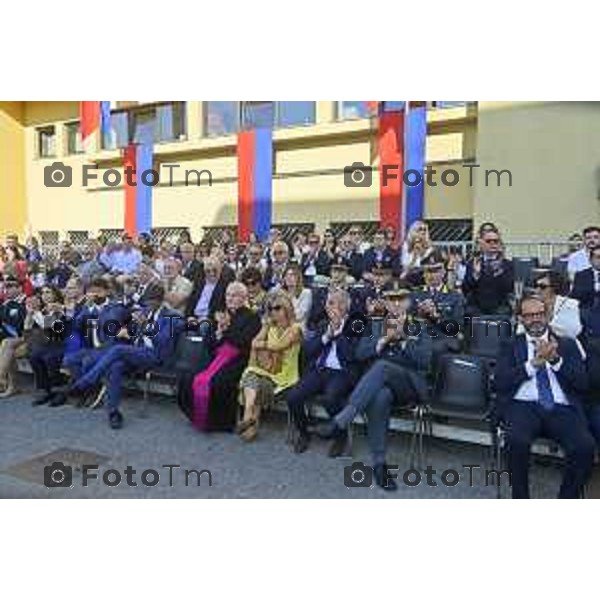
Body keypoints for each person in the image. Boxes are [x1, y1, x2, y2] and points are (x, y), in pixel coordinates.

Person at [314, 289, 433, 490]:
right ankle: (379, 464)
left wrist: (404, 340)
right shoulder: (376, 324)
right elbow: (359, 354)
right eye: (390, 299)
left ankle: (341, 420)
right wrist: (384, 340)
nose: (395, 304)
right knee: (380, 396)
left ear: (408, 302)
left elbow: (425, 361)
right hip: (379, 388)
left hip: (409, 386)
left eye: (400, 299)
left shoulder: (419, 325)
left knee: (383, 366)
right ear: (384, 303)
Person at [494, 296, 595, 499]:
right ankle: (520, 497)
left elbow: (582, 383)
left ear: (547, 315)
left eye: (539, 314)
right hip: (522, 406)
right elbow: (500, 382)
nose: (536, 319)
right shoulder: (511, 344)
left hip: (562, 407)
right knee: (516, 440)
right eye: (529, 316)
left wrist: (555, 360)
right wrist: (532, 366)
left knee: (584, 446)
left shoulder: (567, 344)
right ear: (521, 319)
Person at [67, 283, 182, 429]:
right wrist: (128, 328)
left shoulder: (171, 317)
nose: (148, 304)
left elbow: (164, 342)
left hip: (155, 356)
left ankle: (85, 382)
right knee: (115, 365)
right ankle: (113, 412)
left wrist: (146, 326)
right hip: (137, 352)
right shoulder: (145, 311)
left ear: (160, 300)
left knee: (118, 349)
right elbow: (131, 326)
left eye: (151, 301)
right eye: (146, 301)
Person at [286, 289, 360, 455]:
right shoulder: (322, 324)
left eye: (339, 303)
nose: (334, 307)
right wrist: (326, 335)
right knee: (293, 397)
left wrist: (339, 332)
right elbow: (307, 351)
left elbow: (351, 355)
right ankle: (304, 433)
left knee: (331, 398)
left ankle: (339, 436)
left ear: (347, 306)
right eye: (330, 303)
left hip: (342, 372)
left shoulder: (356, 325)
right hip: (319, 370)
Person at [181, 282, 261, 432]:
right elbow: (209, 344)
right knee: (188, 377)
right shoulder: (221, 315)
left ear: (243, 298)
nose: (230, 299)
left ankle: (219, 423)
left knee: (219, 383)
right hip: (216, 357)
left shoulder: (252, 317)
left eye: (234, 295)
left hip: (237, 359)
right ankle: (197, 416)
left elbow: (243, 341)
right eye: (228, 295)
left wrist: (226, 330)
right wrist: (218, 333)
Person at [237, 291, 302, 442]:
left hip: (286, 375)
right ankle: (249, 416)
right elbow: (253, 343)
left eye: (278, 308)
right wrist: (265, 331)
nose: (274, 312)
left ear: (287, 308)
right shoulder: (270, 327)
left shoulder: (295, 329)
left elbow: (279, 346)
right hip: (268, 370)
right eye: (271, 309)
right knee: (252, 375)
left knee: (254, 376)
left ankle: (249, 420)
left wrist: (263, 344)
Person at [462, 227, 514, 316]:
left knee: (503, 312)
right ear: (481, 243)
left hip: (500, 307)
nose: (492, 244)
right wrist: (476, 275)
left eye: (496, 241)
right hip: (477, 307)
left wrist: (499, 272)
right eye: (488, 241)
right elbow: (465, 289)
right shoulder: (473, 263)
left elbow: (509, 288)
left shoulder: (507, 264)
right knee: (470, 312)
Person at [530, 271, 581, 339]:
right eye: (536, 286)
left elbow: (574, 330)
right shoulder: (532, 304)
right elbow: (521, 330)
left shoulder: (570, 304)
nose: (537, 290)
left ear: (554, 288)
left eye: (543, 287)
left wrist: (548, 324)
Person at [0, 277, 27, 397]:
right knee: (7, 345)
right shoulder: (4, 304)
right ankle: (11, 385)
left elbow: (22, 326)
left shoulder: (26, 301)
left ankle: (2, 378)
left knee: (7, 345)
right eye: (6, 287)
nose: (7, 289)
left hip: (26, 337)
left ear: (19, 288)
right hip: (10, 339)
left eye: (11, 286)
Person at [186, 256, 233, 322]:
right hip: (194, 317)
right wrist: (189, 316)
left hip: (210, 319)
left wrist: (207, 318)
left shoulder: (225, 286)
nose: (212, 273)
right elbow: (190, 302)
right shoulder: (199, 283)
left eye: (215, 270)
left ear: (220, 270)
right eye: (208, 271)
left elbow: (222, 308)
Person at [281, 264, 312, 329]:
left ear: (298, 278)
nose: (289, 277)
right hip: (283, 326)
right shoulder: (281, 293)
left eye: (292, 275)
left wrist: (290, 299)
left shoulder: (306, 293)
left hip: (298, 328)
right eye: (287, 275)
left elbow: (299, 316)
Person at [571, 245, 600, 310]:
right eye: (598, 257)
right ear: (590, 260)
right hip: (587, 312)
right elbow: (576, 296)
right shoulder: (581, 275)